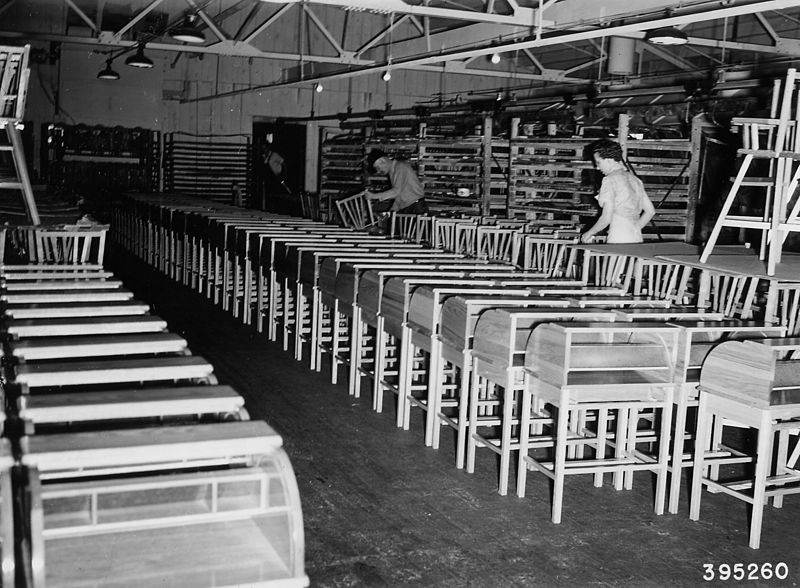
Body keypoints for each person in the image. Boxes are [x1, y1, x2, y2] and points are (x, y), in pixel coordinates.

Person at [580, 139, 656, 244]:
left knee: (615, 260)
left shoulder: (610, 180)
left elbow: (606, 217)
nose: (597, 167)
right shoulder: (635, 180)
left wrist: (588, 233)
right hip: (636, 237)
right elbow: (650, 211)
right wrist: (635, 228)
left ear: (609, 160)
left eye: (598, 162)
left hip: (618, 237)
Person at [364, 149, 428, 214]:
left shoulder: (400, 167)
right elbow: (400, 195)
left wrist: (373, 196)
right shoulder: (393, 171)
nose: (378, 171)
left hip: (416, 207)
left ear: (383, 160)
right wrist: (392, 210)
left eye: (378, 167)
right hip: (411, 207)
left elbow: (396, 192)